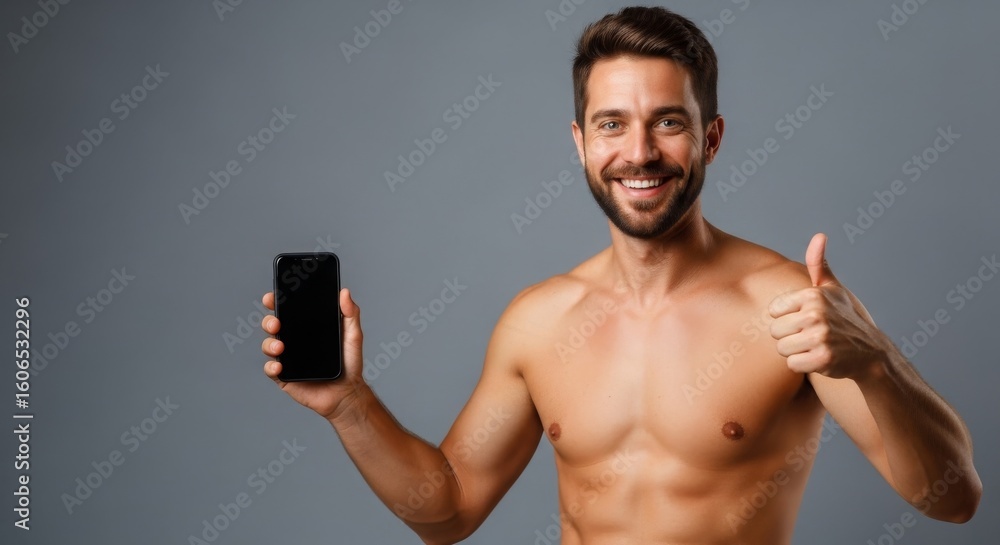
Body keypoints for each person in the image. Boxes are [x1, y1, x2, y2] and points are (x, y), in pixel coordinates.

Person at [260, 6, 981, 544]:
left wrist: (877, 363)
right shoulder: (538, 322)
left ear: (711, 137)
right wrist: (349, 405)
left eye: (668, 122)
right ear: (580, 143)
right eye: (611, 124)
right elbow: (448, 510)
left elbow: (953, 499)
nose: (639, 152)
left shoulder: (791, 305)